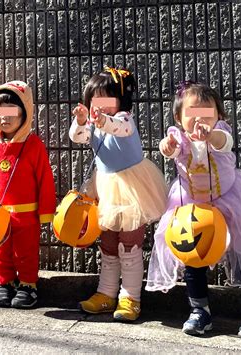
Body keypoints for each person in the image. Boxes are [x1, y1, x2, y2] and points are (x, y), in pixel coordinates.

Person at [146, 81, 241, 341]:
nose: (199, 121)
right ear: (179, 119)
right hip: (191, 204)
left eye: (207, 115)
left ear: (219, 116)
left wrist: (210, 134)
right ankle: (199, 310)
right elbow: (169, 148)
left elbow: (224, 142)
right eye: (191, 115)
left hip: (230, 201)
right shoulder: (178, 136)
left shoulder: (220, 133)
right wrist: (166, 147)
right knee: (192, 255)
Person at [69, 67, 168, 322]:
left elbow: (120, 129)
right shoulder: (94, 124)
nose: (99, 107)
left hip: (132, 188)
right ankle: (106, 293)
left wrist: (101, 120)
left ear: (120, 101)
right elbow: (77, 137)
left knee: (129, 244)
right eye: (94, 101)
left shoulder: (124, 119)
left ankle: (130, 297)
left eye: (105, 101)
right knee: (108, 245)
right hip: (106, 186)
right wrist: (81, 121)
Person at [0, 80, 56, 309]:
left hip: (26, 214)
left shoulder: (34, 146)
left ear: (25, 113)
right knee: (0, 251)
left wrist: (46, 212)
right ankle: (4, 282)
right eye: (0, 111)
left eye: (12, 111)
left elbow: (45, 180)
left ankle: (28, 285)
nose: (5, 117)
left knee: (26, 252)